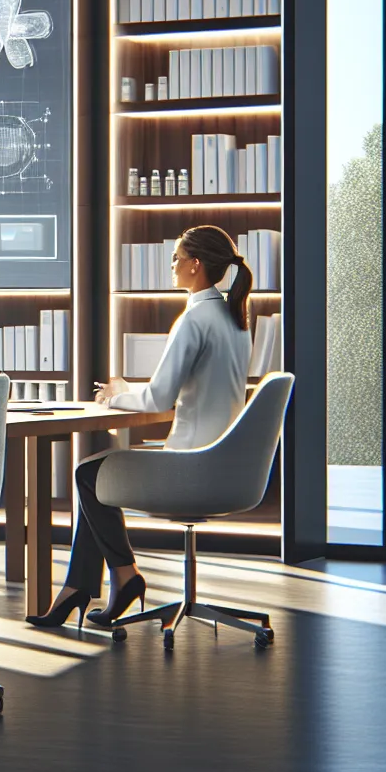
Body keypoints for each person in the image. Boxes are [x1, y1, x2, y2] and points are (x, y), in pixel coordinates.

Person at [27, 225, 251, 631]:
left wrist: (112, 399)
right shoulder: (234, 320)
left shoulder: (194, 320)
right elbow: (180, 389)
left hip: (190, 468)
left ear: (195, 265)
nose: (172, 264)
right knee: (96, 473)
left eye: (177, 258)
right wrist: (129, 389)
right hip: (226, 465)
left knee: (87, 474)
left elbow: (159, 400)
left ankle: (119, 577)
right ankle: (95, 585)